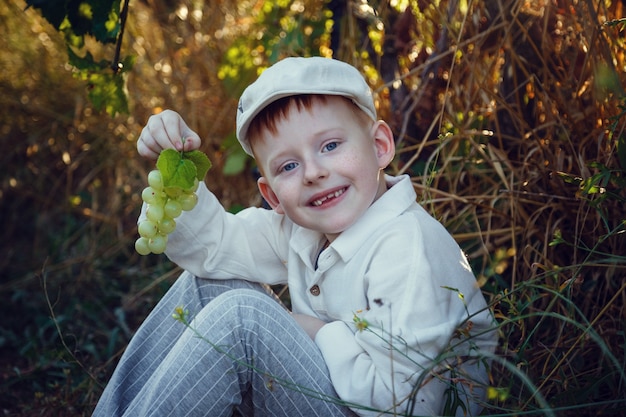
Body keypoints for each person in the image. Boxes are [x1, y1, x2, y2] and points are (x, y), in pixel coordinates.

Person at [93, 57, 496, 417]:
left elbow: (406, 405)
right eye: (287, 166)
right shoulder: (304, 227)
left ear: (379, 146)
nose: (313, 172)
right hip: (336, 396)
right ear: (271, 196)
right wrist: (176, 181)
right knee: (208, 286)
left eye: (331, 145)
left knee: (244, 318)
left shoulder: (406, 248)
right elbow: (213, 247)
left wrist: (311, 329)